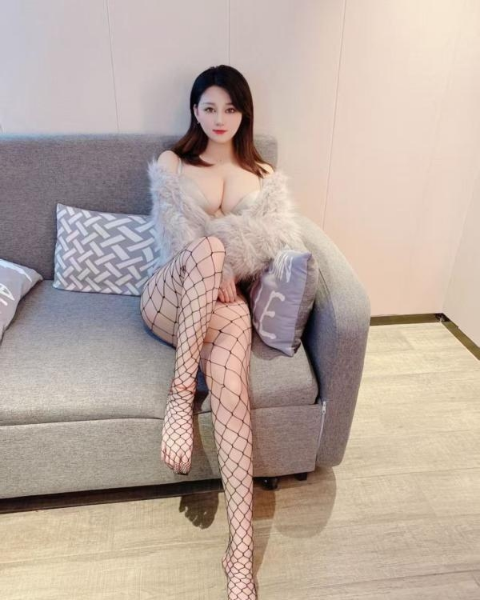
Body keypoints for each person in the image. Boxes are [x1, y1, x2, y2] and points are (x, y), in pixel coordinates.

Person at [140, 64, 306, 600]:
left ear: (243, 113)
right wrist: (216, 265)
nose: (219, 118)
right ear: (194, 110)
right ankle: (180, 395)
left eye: (230, 108)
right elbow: (175, 237)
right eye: (209, 107)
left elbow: (275, 242)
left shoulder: (263, 175)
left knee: (233, 391)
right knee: (208, 249)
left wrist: (231, 269)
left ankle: (239, 554)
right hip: (170, 296)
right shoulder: (173, 162)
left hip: (227, 308)